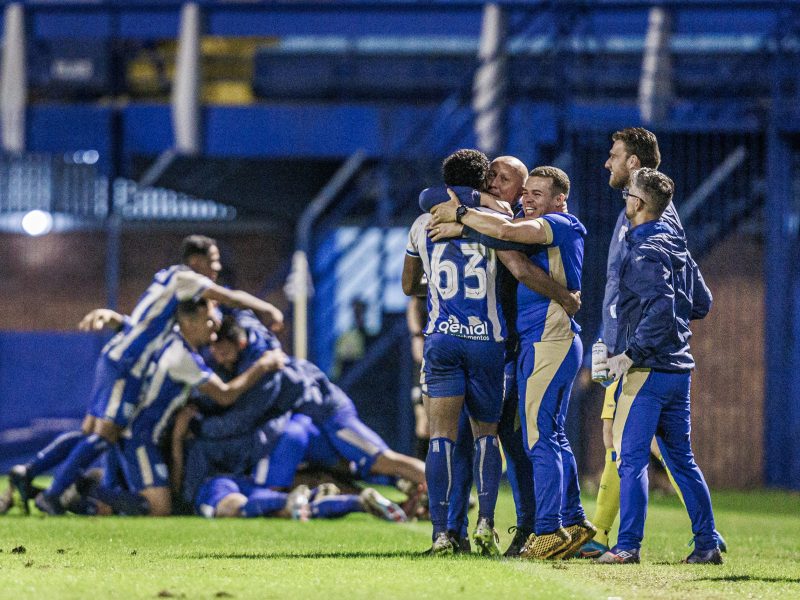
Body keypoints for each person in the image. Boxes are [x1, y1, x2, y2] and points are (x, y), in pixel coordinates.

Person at [10, 235, 284, 515]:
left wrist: (117, 319)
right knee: (105, 439)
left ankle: (31, 472)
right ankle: (58, 494)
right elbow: (229, 298)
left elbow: (143, 324)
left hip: (119, 357)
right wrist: (266, 310)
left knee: (90, 433)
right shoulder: (184, 285)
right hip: (129, 372)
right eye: (213, 263)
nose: (216, 271)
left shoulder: (167, 297)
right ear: (195, 262)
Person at [429, 166, 594, 560]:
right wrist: (474, 218)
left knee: (539, 438)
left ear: (559, 201)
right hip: (536, 343)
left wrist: (462, 217)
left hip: (548, 341)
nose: (530, 199)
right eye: (529, 193)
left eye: (539, 193)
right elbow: (508, 245)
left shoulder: (559, 224)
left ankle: (548, 529)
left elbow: (507, 241)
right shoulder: (518, 219)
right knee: (550, 435)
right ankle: (571, 521)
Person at [581, 128, 726, 558]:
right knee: (680, 459)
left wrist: (629, 350)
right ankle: (706, 541)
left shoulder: (643, 236)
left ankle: (622, 545)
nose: (608, 163)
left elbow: (656, 303)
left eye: (614, 156)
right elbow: (700, 300)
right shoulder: (671, 231)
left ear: (636, 172)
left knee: (627, 456)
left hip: (644, 366)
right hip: (677, 365)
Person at [72, 298, 285, 516]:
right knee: (157, 508)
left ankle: (75, 494)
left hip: (143, 433)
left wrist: (116, 320)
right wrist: (262, 366)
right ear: (192, 323)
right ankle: (81, 487)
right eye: (209, 322)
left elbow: (138, 331)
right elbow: (224, 394)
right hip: (140, 436)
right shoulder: (182, 356)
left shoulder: (176, 345)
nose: (213, 327)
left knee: (130, 500)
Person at [403, 148, 509, 557]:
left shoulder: (423, 222)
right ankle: (484, 524)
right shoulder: (496, 222)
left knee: (440, 439)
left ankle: (443, 534)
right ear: (483, 183)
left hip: (443, 338)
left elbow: (409, 284)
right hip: (486, 340)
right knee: (487, 436)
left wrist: (434, 288)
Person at [195, 477, 406, 523]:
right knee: (302, 511)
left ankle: (294, 499)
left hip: (217, 480)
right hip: (256, 478)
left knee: (235, 509)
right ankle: (357, 502)